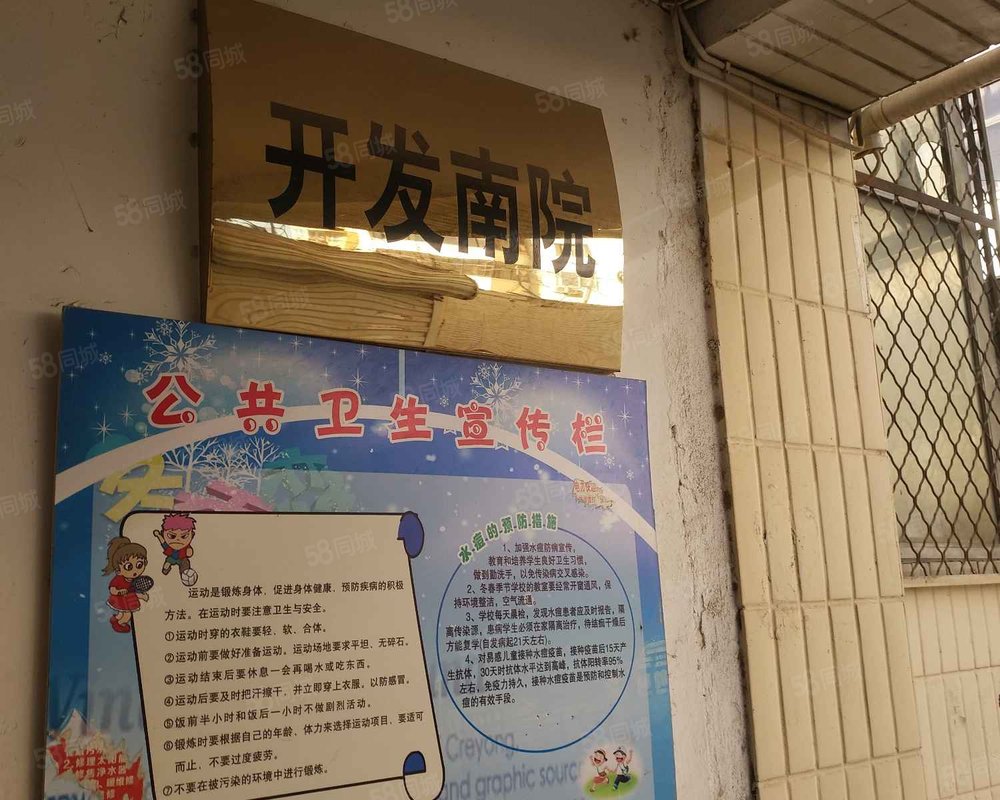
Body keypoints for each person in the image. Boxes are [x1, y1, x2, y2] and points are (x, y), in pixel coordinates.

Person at [103, 536, 149, 633]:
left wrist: (142, 596)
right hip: (120, 599)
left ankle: (115, 619)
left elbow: (134, 591)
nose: (135, 571)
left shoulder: (135, 581)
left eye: (139, 565)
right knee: (127, 615)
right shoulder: (119, 579)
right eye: (129, 567)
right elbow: (112, 589)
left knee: (121, 613)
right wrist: (118, 592)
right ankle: (119, 624)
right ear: (118, 570)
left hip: (129, 600)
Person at [154, 512, 198, 585]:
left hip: (182, 559)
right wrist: (158, 535)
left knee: (185, 566)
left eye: (184, 536)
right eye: (172, 536)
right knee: (166, 565)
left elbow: (189, 552)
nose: (178, 540)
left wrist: (189, 552)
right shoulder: (169, 547)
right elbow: (163, 542)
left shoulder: (186, 547)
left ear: (191, 535)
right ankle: (166, 570)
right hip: (172, 558)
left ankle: (185, 575)